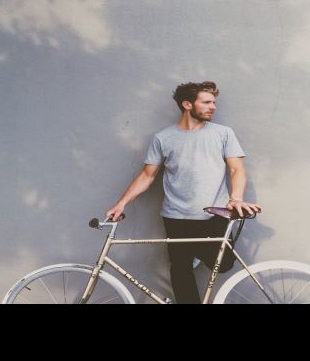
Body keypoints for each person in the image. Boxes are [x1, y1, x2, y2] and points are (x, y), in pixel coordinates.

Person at [105, 81, 261, 303]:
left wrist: (236, 198)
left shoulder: (223, 133)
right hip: (175, 216)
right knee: (180, 269)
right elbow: (147, 175)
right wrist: (121, 204)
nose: (213, 107)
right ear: (187, 104)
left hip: (213, 214)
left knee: (224, 264)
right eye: (206, 102)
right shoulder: (163, 138)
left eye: (214, 102)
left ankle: (193, 249)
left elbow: (237, 169)